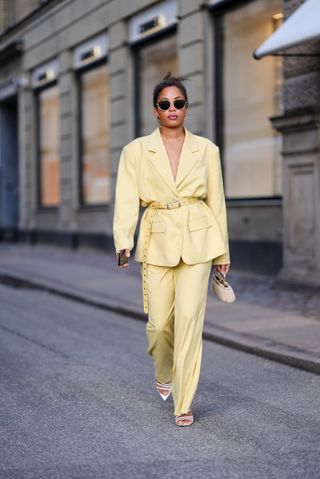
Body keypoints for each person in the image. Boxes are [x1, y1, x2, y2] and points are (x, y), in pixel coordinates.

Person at [113, 73, 230, 427]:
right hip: (157, 239)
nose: (172, 108)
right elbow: (125, 198)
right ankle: (163, 370)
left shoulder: (207, 150)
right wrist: (124, 240)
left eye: (178, 103)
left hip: (199, 238)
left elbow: (217, 201)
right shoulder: (135, 151)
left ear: (186, 108)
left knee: (191, 323)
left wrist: (222, 254)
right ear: (156, 110)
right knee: (159, 325)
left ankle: (183, 402)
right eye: (165, 104)